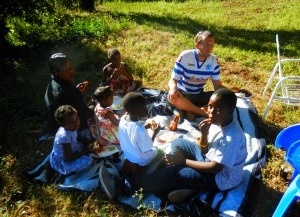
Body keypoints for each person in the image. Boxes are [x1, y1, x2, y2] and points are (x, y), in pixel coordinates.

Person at [99, 88, 247, 201]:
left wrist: (183, 162)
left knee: (174, 171)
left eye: (218, 109)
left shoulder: (232, 137)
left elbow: (214, 169)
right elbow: (204, 149)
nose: (211, 112)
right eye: (210, 106)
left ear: (231, 111)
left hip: (220, 178)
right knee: (178, 142)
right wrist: (204, 134)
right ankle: (187, 183)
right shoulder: (217, 121)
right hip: (207, 159)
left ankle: (123, 187)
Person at [99, 92, 162, 199]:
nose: (147, 110)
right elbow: (147, 148)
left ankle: (121, 177)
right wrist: (155, 133)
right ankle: (136, 184)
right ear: (134, 112)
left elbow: (131, 134)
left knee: (134, 156)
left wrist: (145, 127)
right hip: (141, 157)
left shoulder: (124, 118)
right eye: (144, 108)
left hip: (128, 153)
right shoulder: (139, 129)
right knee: (160, 151)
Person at [168, 30, 225, 121]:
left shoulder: (214, 60)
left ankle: (191, 110)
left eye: (212, 44)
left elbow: (217, 85)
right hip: (183, 94)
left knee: (222, 97)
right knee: (173, 97)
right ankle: (203, 113)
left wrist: (227, 94)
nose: (210, 47)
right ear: (197, 45)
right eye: (206, 44)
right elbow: (173, 80)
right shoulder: (185, 56)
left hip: (199, 95)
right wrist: (172, 89)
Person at [44, 53, 93, 135]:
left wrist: (77, 91)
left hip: (55, 124)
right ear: (55, 72)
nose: (72, 71)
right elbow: (85, 113)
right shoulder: (68, 92)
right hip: (69, 130)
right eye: (67, 69)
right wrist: (94, 104)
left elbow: (65, 99)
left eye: (70, 67)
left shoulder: (52, 84)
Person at [50, 105, 97, 175]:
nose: (76, 123)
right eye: (72, 122)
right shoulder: (64, 136)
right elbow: (69, 158)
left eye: (77, 119)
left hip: (73, 147)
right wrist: (88, 150)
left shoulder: (71, 128)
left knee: (86, 133)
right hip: (64, 161)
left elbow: (76, 136)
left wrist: (87, 142)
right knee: (88, 161)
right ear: (62, 125)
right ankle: (70, 173)